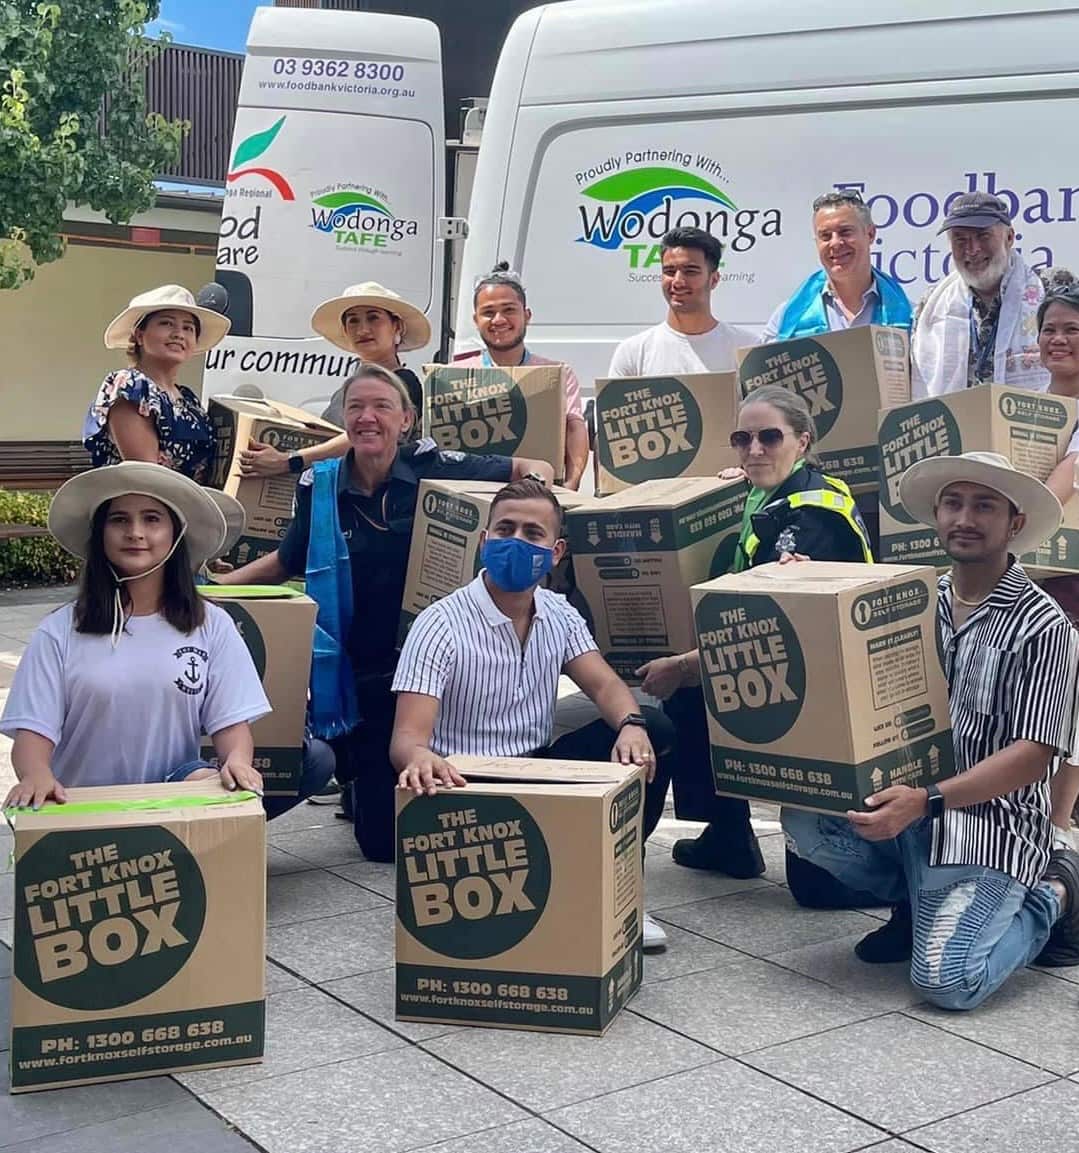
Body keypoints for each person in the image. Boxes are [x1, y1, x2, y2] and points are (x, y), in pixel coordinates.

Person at [214, 364, 556, 860]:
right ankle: (363, 773)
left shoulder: (431, 464)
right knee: (381, 842)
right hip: (360, 674)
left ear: (406, 419)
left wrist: (536, 502)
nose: (367, 417)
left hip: (434, 667)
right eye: (355, 408)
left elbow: (529, 467)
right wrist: (217, 587)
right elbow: (289, 560)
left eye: (381, 407)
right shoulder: (321, 484)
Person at [784, 452, 1079, 997]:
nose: (964, 518)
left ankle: (1055, 892)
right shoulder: (916, 601)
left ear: (1014, 524)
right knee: (806, 815)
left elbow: (1034, 754)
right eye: (953, 503)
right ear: (937, 515)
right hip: (909, 806)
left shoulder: (1045, 625)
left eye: (984, 506)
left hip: (991, 824)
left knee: (949, 983)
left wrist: (926, 800)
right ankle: (916, 905)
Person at [391, 478, 676, 950]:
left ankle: (618, 889)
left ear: (556, 550)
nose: (517, 542)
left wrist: (631, 726)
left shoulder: (558, 612)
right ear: (484, 541)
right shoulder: (440, 623)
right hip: (465, 783)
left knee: (656, 730)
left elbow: (605, 684)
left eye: (533, 533)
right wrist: (419, 758)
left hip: (538, 765)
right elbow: (406, 738)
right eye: (505, 529)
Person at [637, 386, 874, 904]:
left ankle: (907, 884)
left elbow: (769, 632)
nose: (754, 451)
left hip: (822, 694)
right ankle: (728, 836)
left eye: (770, 437)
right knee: (689, 694)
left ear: (802, 441)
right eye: (742, 440)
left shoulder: (809, 519)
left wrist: (681, 664)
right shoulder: (783, 491)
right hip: (793, 666)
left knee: (816, 891)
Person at [1, 462, 271, 809]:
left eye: (152, 518)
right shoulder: (59, 631)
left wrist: (237, 761)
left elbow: (232, 724)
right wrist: (36, 774)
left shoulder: (213, 626)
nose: (135, 532)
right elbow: (32, 732)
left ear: (176, 534)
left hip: (172, 814)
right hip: (79, 814)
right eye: (119, 520)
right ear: (100, 534)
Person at [239, 282, 429, 477]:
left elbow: (361, 437)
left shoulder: (405, 384)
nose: (363, 330)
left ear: (396, 326)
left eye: (373, 318)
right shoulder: (345, 391)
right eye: (353, 321)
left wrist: (289, 460)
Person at [455, 262, 590, 489]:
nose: (498, 320)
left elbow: (575, 428)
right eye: (488, 312)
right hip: (474, 491)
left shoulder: (557, 375)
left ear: (527, 315)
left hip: (538, 494)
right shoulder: (457, 375)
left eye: (509, 310)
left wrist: (571, 484)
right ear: (475, 320)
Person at [82, 285, 231, 484]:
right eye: (167, 323)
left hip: (189, 508)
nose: (179, 334)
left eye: (188, 328)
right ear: (139, 335)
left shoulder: (189, 400)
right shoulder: (131, 386)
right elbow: (147, 475)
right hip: (142, 508)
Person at [911, 192, 1048, 398]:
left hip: (1036, 424)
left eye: (983, 236)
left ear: (1009, 237)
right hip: (954, 425)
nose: (972, 249)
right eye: (960, 239)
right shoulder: (930, 304)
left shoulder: (1051, 289)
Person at [1033, 278, 1079, 854]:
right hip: (1021, 571)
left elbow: (1058, 490)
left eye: (1072, 330)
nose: (1059, 340)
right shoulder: (1025, 406)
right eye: (1050, 330)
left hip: (1070, 578)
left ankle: (1059, 826)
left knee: (1068, 701)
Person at [760, 189, 912, 343]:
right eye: (825, 236)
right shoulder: (786, 318)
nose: (835, 243)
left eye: (845, 232)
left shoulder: (911, 318)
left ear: (870, 234)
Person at [607, 227, 754, 377]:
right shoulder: (633, 352)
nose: (677, 281)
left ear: (714, 279)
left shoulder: (748, 349)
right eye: (669, 272)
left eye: (690, 271)